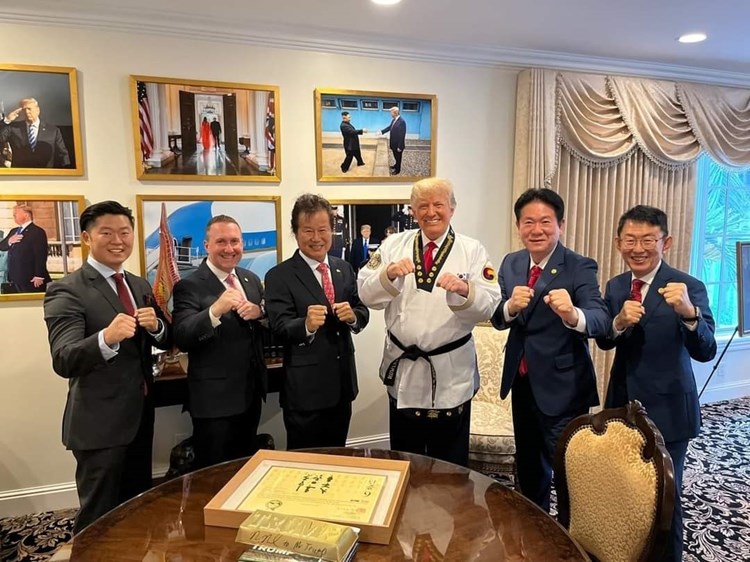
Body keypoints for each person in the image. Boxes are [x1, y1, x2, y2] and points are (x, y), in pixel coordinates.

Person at [595, 205, 717, 562]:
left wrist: (689, 314)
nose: (639, 248)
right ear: (618, 243)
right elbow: (605, 340)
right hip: (622, 408)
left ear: (667, 243)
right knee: (624, 492)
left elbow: (706, 350)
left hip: (668, 412)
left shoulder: (687, 286)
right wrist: (618, 321)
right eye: (630, 240)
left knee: (665, 499)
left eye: (649, 240)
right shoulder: (617, 286)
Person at [43, 200, 171, 533]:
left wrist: (157, 327)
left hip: (139, 416)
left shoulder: (138, 284)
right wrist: (106, 338)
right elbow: (64, 358)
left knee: (136, 509)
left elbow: (163, 337)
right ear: (87, 237)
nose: (118, 240)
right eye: (107, 233)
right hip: (99, 424)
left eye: (125, 232)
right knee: (98, 519)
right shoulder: (67, 289)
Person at [358, 178, 502, 466]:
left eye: (439, 204)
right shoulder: (393, 245)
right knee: (406, 460)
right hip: (404, 370)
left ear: (452, 209)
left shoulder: (472, 250)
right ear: (413, 211)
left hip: (450, 373)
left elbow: (490, 304)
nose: (431, 212)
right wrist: (388, 275)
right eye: (422, 206)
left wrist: (466, 290)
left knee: (449, 468)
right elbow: (364, 291)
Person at [490, 188, 609, 513]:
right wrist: (510, 308)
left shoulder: (579, 266)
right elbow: (497, 317)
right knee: (529, 468)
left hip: (564, 388)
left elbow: (600, 319)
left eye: (545, 221)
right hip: (522, 382)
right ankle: (536, 528)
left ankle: (572, 534)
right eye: (528, 222)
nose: (536, 229)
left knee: (569, 471)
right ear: (518, 226)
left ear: (561, 225)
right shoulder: (512, 262)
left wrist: (572, 314)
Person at [264, 194, 369, 449]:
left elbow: (361, 310)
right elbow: (278, 327)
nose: (316, 238)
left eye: (322, 230)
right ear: (295, 232)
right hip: (305, 393)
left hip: (342, 386)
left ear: (332, 231)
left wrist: (354, 317)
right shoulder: (279, 275)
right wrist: (306, 325)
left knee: (338, 457)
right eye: (308, 230)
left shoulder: (344, 268)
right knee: (305, 464)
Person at [172, 215, 267, 469]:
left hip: (250, 395)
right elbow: (182, 336)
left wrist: (259, 312)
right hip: (213, 403)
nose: (229, 248)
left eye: (234, 241)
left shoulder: (251, 280)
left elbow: (261, 325)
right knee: (214, 476)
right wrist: (214, 311)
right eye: (221, 241)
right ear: (207, 246)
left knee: (246, 471)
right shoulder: (189, 285)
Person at [0, 98, 70, 168]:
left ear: (37, 110)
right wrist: (7, 120)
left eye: (29, 109)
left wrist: (67, 171)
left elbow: (63, 154)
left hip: (45, 172)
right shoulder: (13, 128)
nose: (27, 112)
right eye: (24, 110)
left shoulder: (53, 131)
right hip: (21, 172)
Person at [0, 204, 51, 293]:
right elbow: (2, 246)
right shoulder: (14, 231)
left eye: (16, 213)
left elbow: (41, 255)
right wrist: (10, 241)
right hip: (14, 278)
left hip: (31, 279)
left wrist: (39, 275)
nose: (14, 215)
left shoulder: (37, 232)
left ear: (26, 215)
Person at [380, 106, 406, 175]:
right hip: (393, 143)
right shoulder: (394, 120)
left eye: (391, 112)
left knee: (398, 157)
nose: (390, 114)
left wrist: (400, 146)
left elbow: (402, 135)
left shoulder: (402, 122)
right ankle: (396, 165)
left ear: (395, 113)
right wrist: (381, 132)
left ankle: (398, 170)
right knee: (395, 156)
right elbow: (389, 127)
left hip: (398, 145)